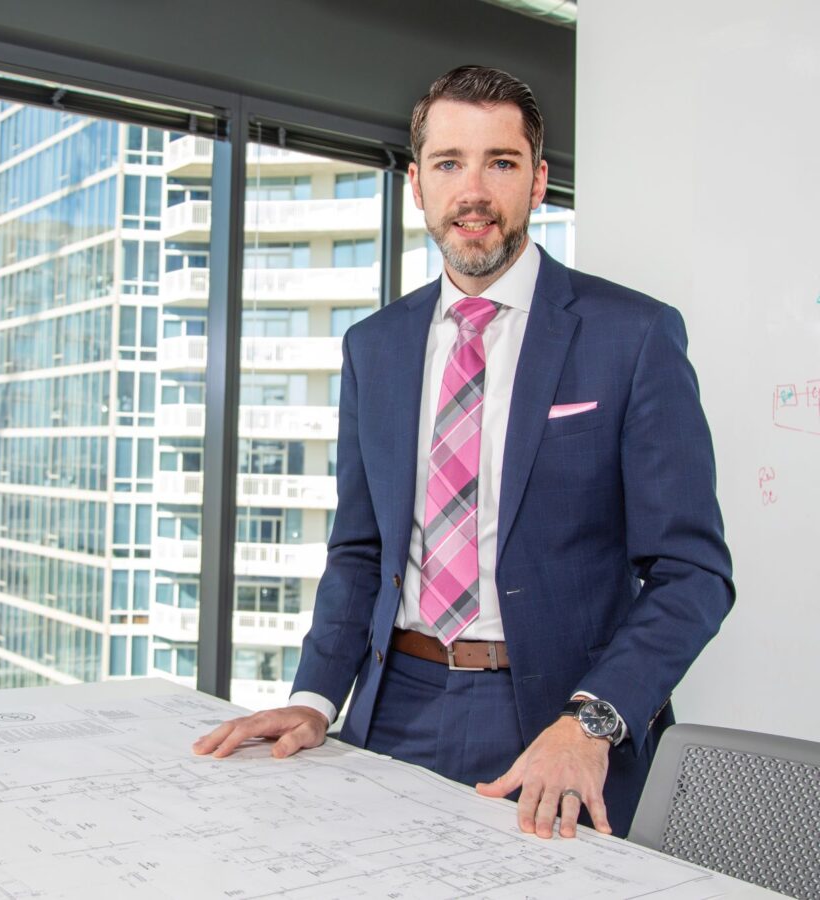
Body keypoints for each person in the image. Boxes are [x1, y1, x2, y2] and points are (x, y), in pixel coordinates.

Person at [193, 65, 733, 840]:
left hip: (554, 720)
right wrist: (315, 699)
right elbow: (358, 550)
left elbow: (694, 573)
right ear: (417, 184)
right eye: (449, 163)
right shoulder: (373, 347)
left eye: (501, 163)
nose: (472, 191)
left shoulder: (633, 336)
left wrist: (592, 721)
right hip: (391, 705)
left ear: (539, 180)